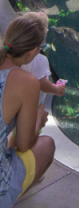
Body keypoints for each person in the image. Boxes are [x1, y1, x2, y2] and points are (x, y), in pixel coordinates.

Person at [0, 12, 55, 208]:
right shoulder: (26, 81)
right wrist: (39, 119)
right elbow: (24, 144)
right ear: (32, 52)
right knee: (47, 144)